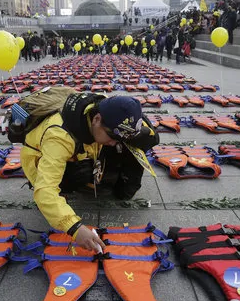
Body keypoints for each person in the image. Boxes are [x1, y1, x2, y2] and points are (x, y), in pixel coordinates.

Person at [20, 94, 159, 251]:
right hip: (44, 161)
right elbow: (45, 190)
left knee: (127, 152)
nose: (114, 142)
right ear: (96, 119)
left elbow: (151, 136)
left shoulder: (105, 107)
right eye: (112, 136)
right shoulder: (59, 137)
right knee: (68, 181)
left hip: (85, 150)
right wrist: (75, 228)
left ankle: (92, 177)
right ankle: (72, 184)